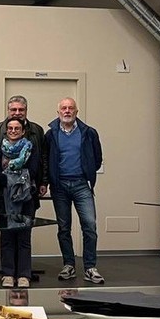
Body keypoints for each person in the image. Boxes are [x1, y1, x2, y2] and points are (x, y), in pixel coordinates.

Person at [45, 97, 104, 284]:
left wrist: (87, 171)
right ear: (58, 112)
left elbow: (97, 158)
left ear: (76, 112)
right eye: (64, 108)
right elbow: (46, 159)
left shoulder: (89, 133)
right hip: (59, 186)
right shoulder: (50, 134)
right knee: (64, 228)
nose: (67, 111)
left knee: (90, 225)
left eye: (71, 108)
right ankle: (68, 265)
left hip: (81, 185)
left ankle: (90, 267)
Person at [0, 118, 41, 288]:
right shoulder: (0, 151)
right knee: (7, 237)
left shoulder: (30, 150)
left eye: (17, 128)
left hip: (26, 199)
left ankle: (24, 275)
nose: (13, 131)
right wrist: (17, 178)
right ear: (6, 131)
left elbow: (33, 171)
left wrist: (10, 178)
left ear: (23, 131)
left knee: (23, 238)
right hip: (4, 198)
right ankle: (8, 273)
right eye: (10, 128)